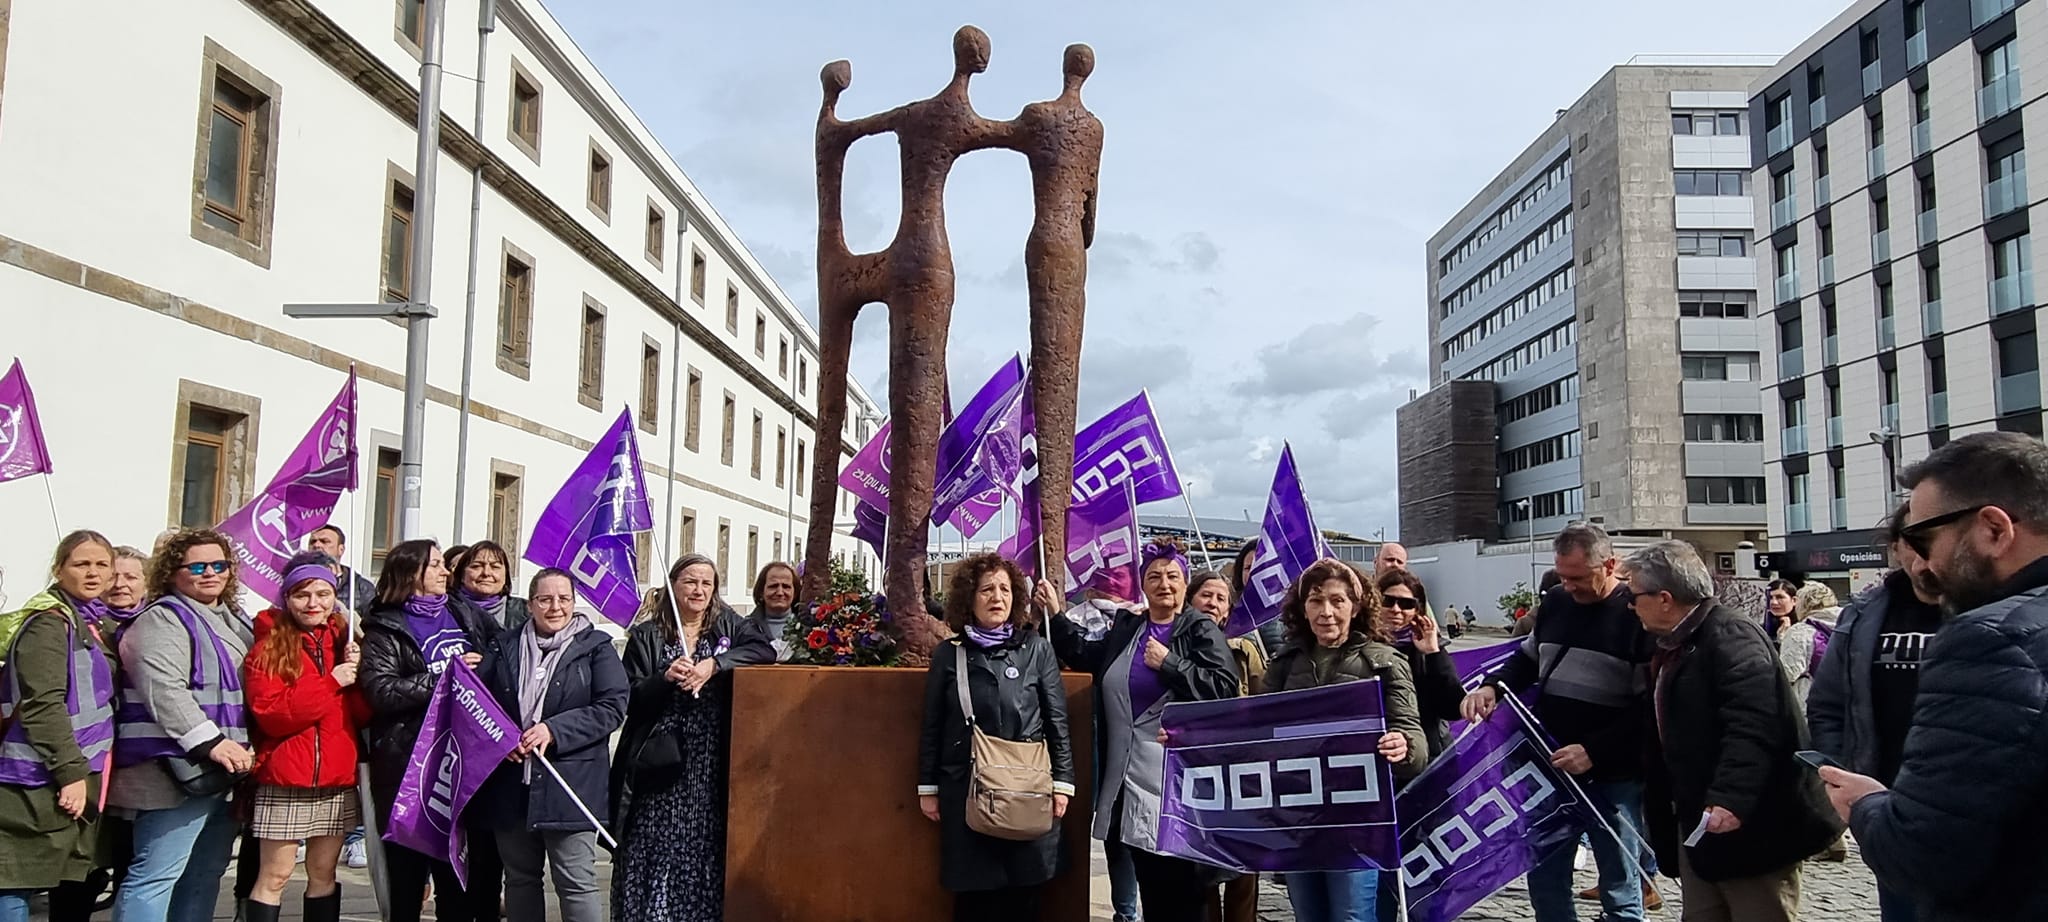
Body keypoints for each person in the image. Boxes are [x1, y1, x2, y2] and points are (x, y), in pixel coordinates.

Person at [1821, 432, 2048, 920]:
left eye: (1925, 538)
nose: (1923, 562)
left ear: (1993, 529)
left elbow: (1924, 854)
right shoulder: (1869, 615)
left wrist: (1868, 805)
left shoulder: (1989, 639)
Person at [1624, 541, 1840, 922]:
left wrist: (1730, 798)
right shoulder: (1677, 641)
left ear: (1664, 598)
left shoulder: (1729, 636)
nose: (1629, 604)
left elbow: (1756, 723)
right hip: (1699, 819)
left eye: (1634, 595)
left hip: (1752, 825)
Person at [1460, 523, 1657, 921]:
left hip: (1612, 772)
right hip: (1548, 765)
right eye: (1562, 576)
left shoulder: (1635, 613)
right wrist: (1493, 688)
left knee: (1619, 882)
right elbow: (1527, 660)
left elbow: (1651, 707)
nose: (1569, 586)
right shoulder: (1555, 602)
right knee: (1546, 878)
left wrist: (1595, 751)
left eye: (1579, 578)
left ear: (1610, 565)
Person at [1046, 538, 1236, 922]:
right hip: (1128, 784)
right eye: (1154, 576)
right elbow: (1089, 656)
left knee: (1185, 894)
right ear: (1142, 585)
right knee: (1152, 888)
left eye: (1172, 576)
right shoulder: (1129, 626)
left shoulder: (1198, 628)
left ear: (1185, 584)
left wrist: (1170, 664)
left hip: (1178, 787)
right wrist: (1055, 616)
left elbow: (1223, 688)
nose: (1164, 584)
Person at [610, 554, 774, 921]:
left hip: (708, 757)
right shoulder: (648, 634)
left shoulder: (726, 625)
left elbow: (762, 650)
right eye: (690, 581)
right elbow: (629, 698)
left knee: (699, 844)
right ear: (673, 585)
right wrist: (664, 678)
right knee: (654, 843)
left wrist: (714, 664)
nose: (698, 590)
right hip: (658, 760)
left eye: (706, 583)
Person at [1265, 559, 1428, 922]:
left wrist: (1402, 746)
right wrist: (1190, 738)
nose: (1327, 612)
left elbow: (1415, 743)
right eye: (1316, 600)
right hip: (1299, 819)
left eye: (1338, 601)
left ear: (1356, 606)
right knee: (1309, 916)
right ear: (1302, 608)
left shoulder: (1385, 663)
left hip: (1357, 822)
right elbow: (1254, 733)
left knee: (1352, 917)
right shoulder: (1284, 663)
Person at [916, 554, 1074, 922]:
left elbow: (1057, 721)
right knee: (974, 901)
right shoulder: (948, 655)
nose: (996, 597)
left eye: (1004, 589)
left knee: (1024, 897)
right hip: (965, 790)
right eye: (986, 589)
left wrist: (1064, 783)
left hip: (1027, 789)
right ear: (969, 598)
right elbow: (932, 725)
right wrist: (928, 787)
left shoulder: (1037, 648)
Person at [108, 528, 255, 922]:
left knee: (205, 874)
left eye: (220, 565)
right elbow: (164, 691)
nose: (211, 573)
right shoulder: (160, 620)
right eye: (198, 566)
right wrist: (213, 743)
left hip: (226, 770)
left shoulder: (234, 621)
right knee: (156, 874)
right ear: (173, 571)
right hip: (174, 770)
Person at [1807, 503, 1942, 919]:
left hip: (1962, 798)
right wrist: (1843, 770)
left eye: (1931, 544)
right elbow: (1828, 703)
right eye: (1912, 544)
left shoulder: (1987, 606)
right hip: (1887, 802)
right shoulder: (1867, 611)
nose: (1923, 559)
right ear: (1896, 548)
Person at [478, 568, 627, 922]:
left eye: (563, 599)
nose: (555, 607)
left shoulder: (596, 649)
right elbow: (481, 706)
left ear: (575, 603)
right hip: (513, 784)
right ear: (530, 604)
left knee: (576, 882)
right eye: (545, 599)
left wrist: (554, 730)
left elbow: (612, 707)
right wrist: (502, 738)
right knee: (520, 879)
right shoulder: (504, 646)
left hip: (570, 784)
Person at [359, 539, 493, 922]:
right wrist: (443, 675)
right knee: (408, 880)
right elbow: (381, 691)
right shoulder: (384, 625)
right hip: (409, 764)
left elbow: (499, 654)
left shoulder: (463, 612)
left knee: (460, 879)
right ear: (410, 573)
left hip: (463, 758)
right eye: (435, 565)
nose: (444, 571)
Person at [241, 552, 367, 922]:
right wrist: (331, 682)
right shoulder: (267, 648)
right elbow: (273, 715)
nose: (313, 603)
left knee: (323, 875)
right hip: (286, 778)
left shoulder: (342, 642)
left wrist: (358, 675)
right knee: (276, 875)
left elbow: (359, 715)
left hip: (335, 778)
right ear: (287, 598)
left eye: (322, 594)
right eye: (302, 594)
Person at [0, 531, 118, 922]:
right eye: (81, 564)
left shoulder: (89, 621)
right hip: (33, 777)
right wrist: (70, 774)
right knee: (16, 881)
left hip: (74, 770)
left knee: (69, 879)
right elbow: (42, 705)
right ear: (59, 569)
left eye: (101, 564)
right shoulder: (49, 626)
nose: (92, 573)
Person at [1184, 571, 1259, 922]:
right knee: (1202, 869)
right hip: (1193, 771)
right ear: (1191, 600)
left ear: (1228, 611)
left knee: (1245, 864)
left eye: (1220, 598)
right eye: (1205, 595)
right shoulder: (1172, 645)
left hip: (1241, 771)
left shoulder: (1245, 651)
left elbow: (1268, 700)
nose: (1212, 603)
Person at [1373, 569, 1464, 762]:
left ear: (1417, 609)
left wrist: (1433, 652)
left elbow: (1453, 708)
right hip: (1374, 753)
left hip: (1426, 756)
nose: (1396, 609)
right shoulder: (1360, 645)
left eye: (1406, 604)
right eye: (1388, 601)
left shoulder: (1428, 648)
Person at [1778, 582, 1840, 711]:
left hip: (1813, 705)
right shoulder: (1850, 623)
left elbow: (1789, 673)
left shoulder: (1800, 631)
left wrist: (1784, 640)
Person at [452, 541, 529, 634]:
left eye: (495, 567)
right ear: (461, 575)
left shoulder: (527, 611)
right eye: (476, 566)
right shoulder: (447, 611)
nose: (486, 573)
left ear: (506, 575)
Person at [1230, 540, 1285, 657]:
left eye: (1259, 566)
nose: (1252, 572)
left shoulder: (1292, 611)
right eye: (1247, 567)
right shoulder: (1229, 611)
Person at [305, 526, 375, 614]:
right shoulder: (296, 582)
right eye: (313, 542)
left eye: (324, 541)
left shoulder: (361, 587)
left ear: (341, 549)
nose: (317, 545)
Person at [746, 562, 801, 662]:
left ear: (795, 592)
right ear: (761, 592)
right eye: (773, 586)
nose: (780, 592)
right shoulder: (744, 628)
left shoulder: (807, 629)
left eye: (786, 587)